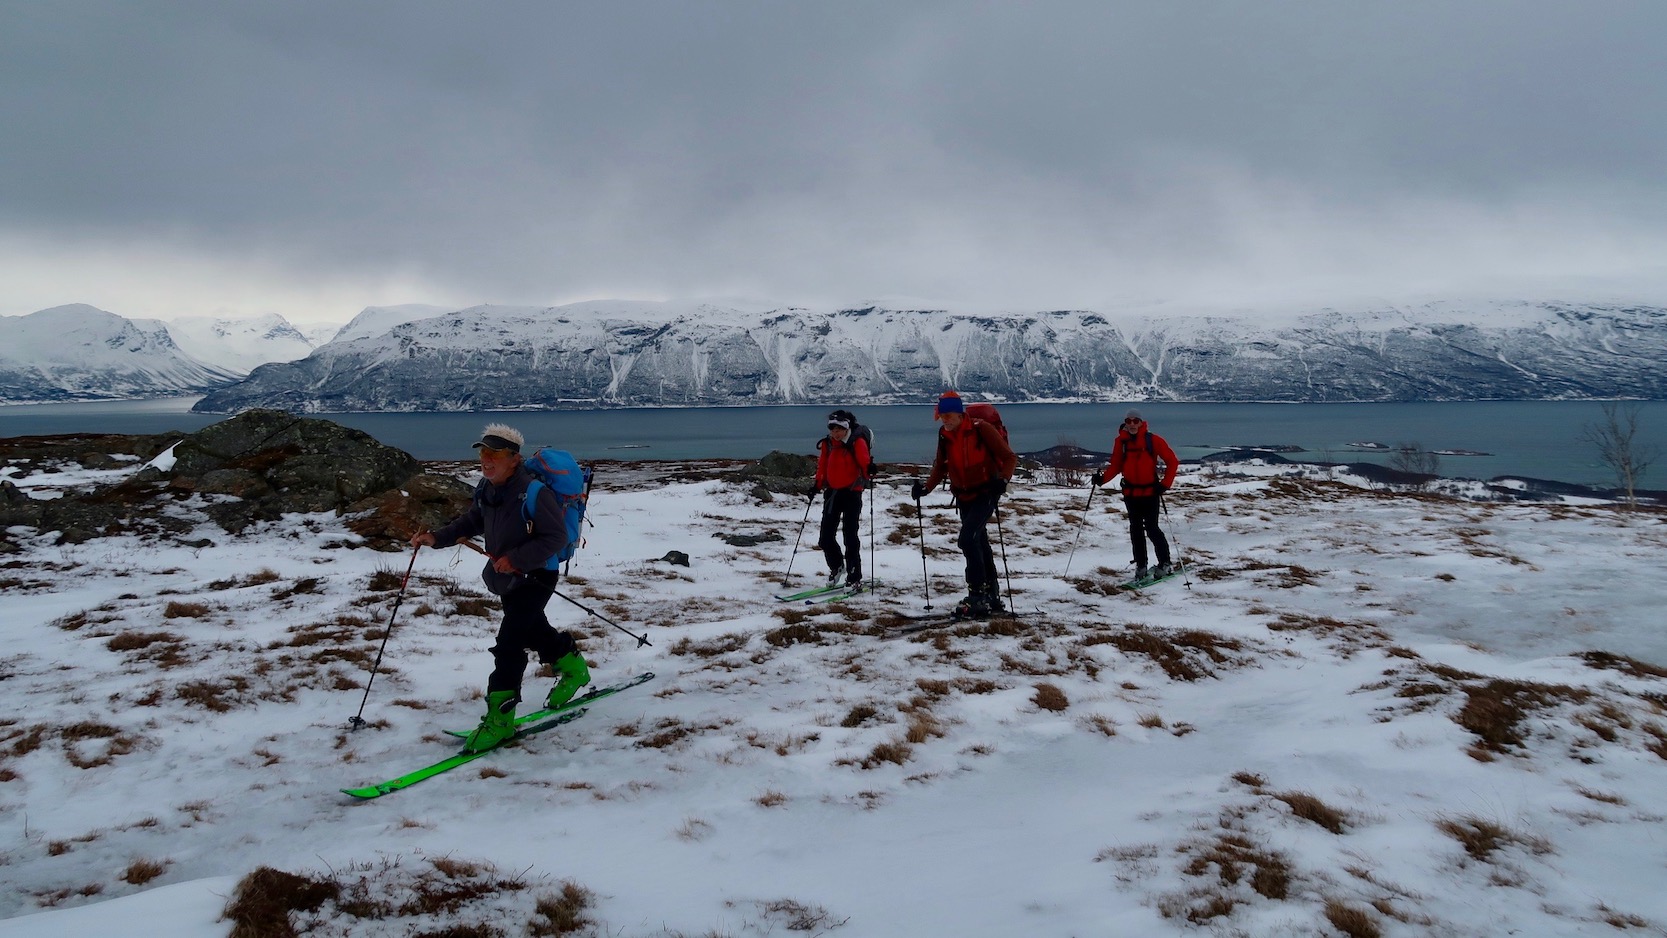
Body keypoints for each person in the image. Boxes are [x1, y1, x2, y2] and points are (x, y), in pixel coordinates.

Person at [409, 423, 590, 752]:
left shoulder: (534, 491)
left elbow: (555, 537)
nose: (486, 459)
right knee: (533, 630)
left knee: (509, 644)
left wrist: (517, 558)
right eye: (483, 452)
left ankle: (500, 720)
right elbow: (473, 521)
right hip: (508, 576)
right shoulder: (486, 487)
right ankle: (573, 666)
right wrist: (436, 537)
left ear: (514, 458)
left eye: (495, 454)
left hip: (537, 575)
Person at [910, 391, 1017, 617]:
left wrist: (1003, 480)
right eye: (941, 416)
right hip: (963, 495)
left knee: (968, 539)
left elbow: (1009, 457)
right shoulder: (944, 435)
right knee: (979, 542)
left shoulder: (981, 429)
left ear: (959, 414)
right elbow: (941, 466)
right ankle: (991, 595)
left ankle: (977, 594)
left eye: (948, 415)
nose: (944, 420)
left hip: (986, 493)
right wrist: (926, 488)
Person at [1092, 408, 1179, 582]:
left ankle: (1165, 563)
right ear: (1125, 423)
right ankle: (1141, 565)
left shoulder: (1153, 440)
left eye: (1135, 421)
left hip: (1150, 492)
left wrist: (1165, 484)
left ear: (1141, 423)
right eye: (1128, 421)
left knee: (1152, 529)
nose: (1132, 424)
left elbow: (1172, 461)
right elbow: (1116, 465)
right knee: (1136, 530)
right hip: (1131, 494)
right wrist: (1102, 480)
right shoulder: (1121, 442)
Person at [814, 411, 871, 588]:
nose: (835, 433)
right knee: (825, 537)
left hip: (852, 493)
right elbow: (822, 465)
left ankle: (854, 576)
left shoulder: (857, 442)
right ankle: (837, 566)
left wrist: (870, 470)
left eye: (838, 429)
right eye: (832, 429)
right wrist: (816, 485)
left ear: (846, 428)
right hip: (833, 493)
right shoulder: (828, 444)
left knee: (850, 536)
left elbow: (865, 463)